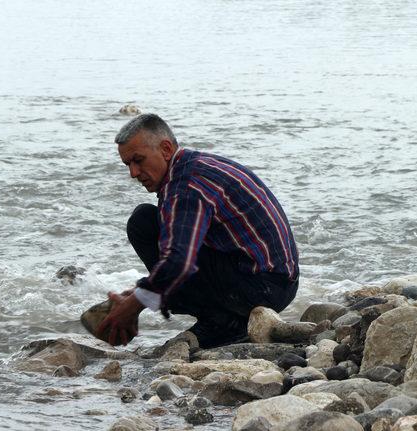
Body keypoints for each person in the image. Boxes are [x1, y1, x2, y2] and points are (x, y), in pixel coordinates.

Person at [97, 113, 299, 348]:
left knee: (144, 225)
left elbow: (179, 262)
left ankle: (224, 324)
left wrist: (134, 304)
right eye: (127, 165)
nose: (133, 173)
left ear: (165, 148)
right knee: (147, 221)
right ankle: (224, 319)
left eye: (138, 160)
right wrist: (140, 293)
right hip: (274, 281)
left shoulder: (187, 186)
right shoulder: (189, 168)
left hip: (265, 288)